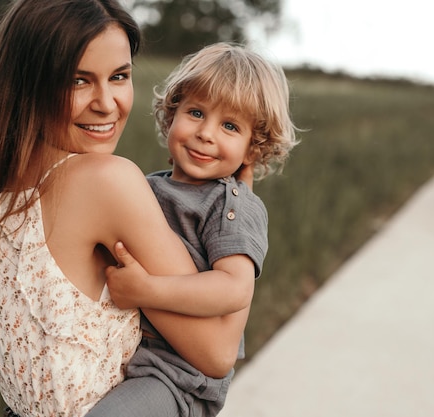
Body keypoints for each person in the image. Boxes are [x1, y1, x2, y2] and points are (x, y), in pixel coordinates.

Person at [0, 1, 250, 416]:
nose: (107, 103)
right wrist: (237, 211)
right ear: (30, 82)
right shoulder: (106, 181)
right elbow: (217, 353)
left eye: (119, 76)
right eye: (78, 81)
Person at [86, 42, 299, 417]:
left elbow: (234, 287)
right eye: (196, 113)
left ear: (253, 148)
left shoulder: (231, 204)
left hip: (177, 379)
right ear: (171, 117)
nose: (206, 133)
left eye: (230, 126)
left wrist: (147, 290)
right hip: (127, 354)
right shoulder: (149, 187)